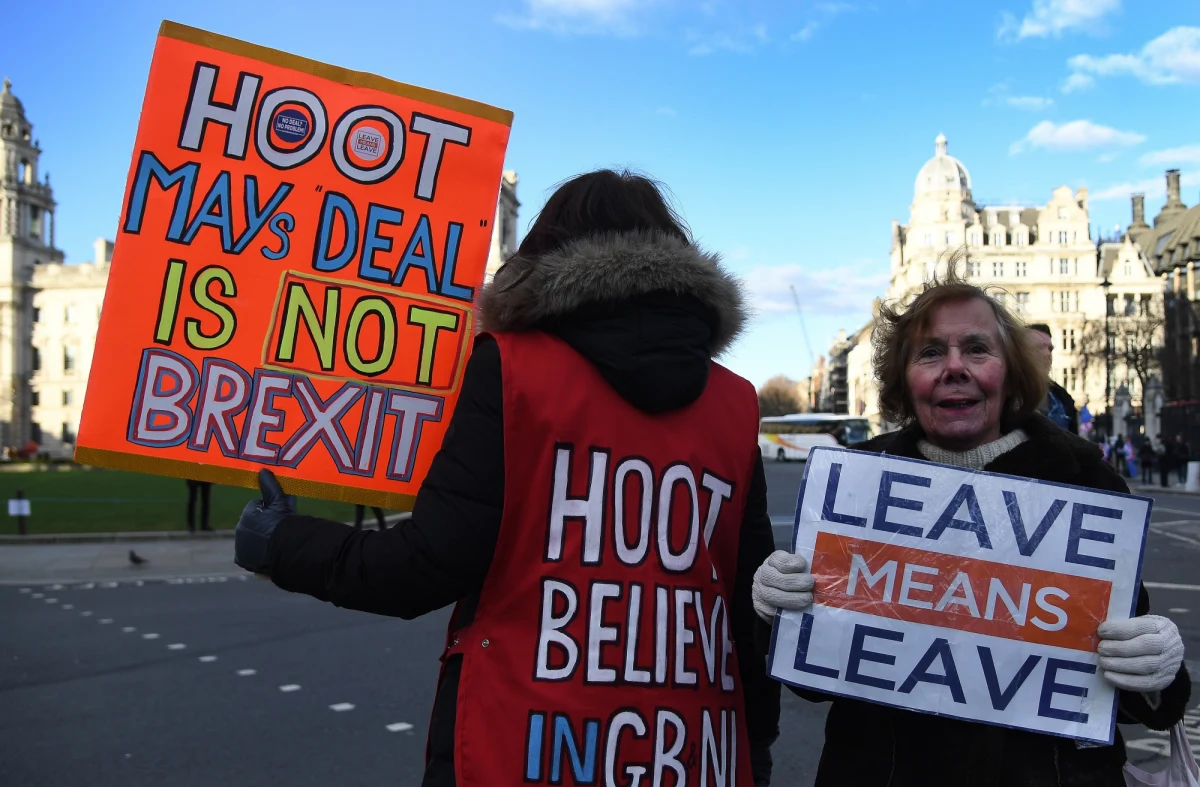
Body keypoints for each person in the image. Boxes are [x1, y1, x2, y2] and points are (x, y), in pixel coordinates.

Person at [233, 170, 781, 786]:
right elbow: (752, 605)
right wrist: (756, 742)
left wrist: (281, 542)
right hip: (688, 750)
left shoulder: (511, 369)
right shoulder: (736, 404)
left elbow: (424, 565)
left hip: (523, 740)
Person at [752, 265, 1189, 786]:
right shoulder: (854, 485)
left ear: (1011, 373)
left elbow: (1141, 701)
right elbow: (814, 682)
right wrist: (780, 615)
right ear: (904, 379)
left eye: (977, 349)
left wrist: (1154, 671)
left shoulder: (1087, 482)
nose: (954, 367)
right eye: (930, 353)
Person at [1026, 323, 1078, 433]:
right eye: (1040, 347)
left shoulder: (1063, 399)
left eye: (1050, 349)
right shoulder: (1006, 396)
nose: (1047, 354)